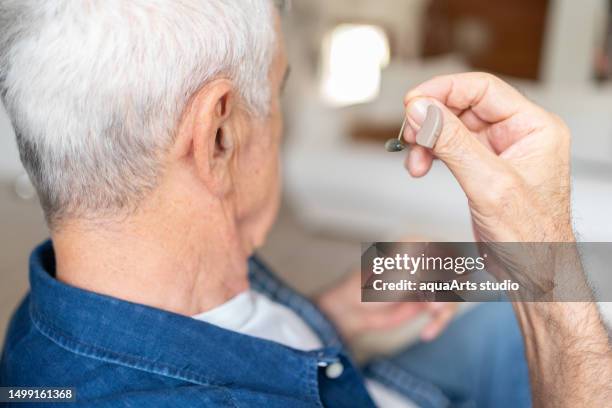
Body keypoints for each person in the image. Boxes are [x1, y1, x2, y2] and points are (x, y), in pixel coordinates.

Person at [0, 1, 610, 407]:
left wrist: (334, 316)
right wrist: (548, 275)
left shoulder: (56, 308)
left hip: (357, 380)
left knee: (502, 317)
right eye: (279, 89)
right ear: (219, 136)